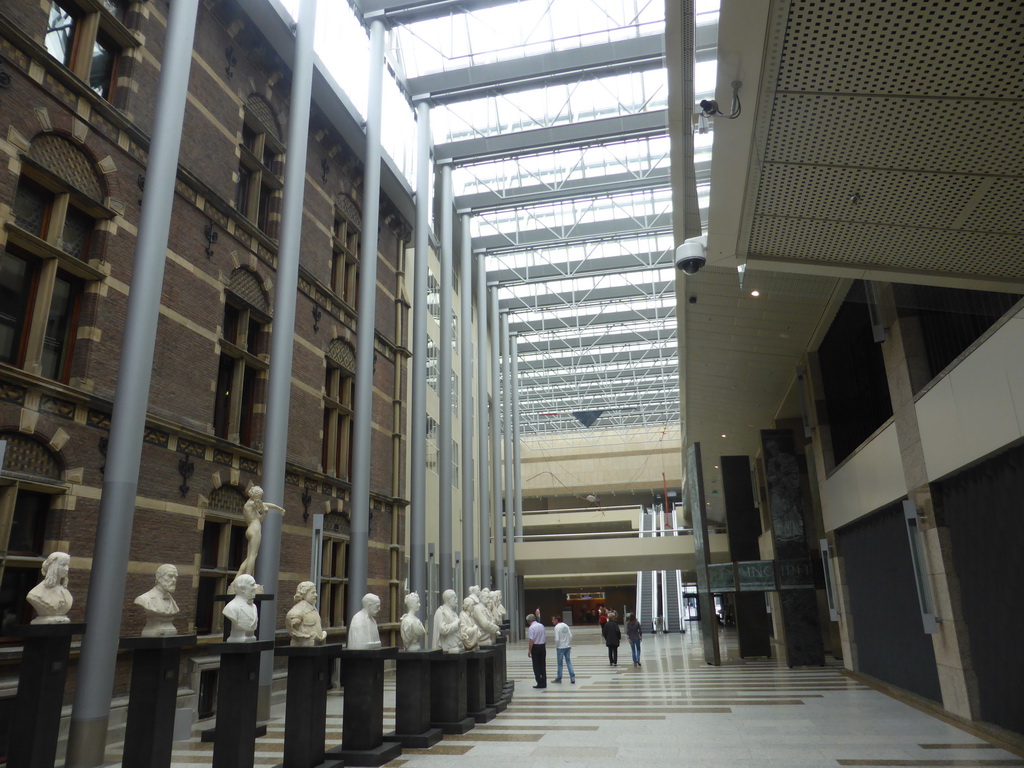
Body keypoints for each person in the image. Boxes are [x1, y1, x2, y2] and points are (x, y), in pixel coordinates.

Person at [232, 485, 285, 586]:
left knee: (249, 557)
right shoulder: (251, 503)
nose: (260, 498)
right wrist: (279, 509)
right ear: (256, 495)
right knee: (253, 555)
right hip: (255, 529)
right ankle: (248, 580)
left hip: (250, 528)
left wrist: (265, 513)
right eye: (260, 496)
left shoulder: (249, 505)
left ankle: (236, 579)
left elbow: (259, 518)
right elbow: (267, 504)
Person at [134, 563, 180, 637]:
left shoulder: (172, 601)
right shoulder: (144, 599)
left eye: (175, 577)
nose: (174, 580)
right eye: (170, 576)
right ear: (159, 578)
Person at [27, 551, 73, 624]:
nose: (67, 569)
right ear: (53, 567)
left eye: (67, 565)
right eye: (63, 565)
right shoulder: (35, 594)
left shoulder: (65, 591)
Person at [286, 581, 327, 647]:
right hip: (305, 645)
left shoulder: (313, 609)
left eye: (315, 592)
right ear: (304, 594)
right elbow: (293, 629)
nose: (316, 595)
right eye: (313, 592)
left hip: (317, 645)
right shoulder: (297, 610)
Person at [223, 574, 260, 642]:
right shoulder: (231, 607)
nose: (255, 587)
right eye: (252, 585)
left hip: (250, 637)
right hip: (237, 639)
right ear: (242, 589)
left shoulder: (254, 606)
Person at [431, 589, 462, 653]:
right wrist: (456, 623)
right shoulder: (441, 611)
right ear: (448, 599)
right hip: (447, 647)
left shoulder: (453, 612)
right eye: (455, 598)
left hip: (455, 645)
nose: (457, 600)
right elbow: (443, 629)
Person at [551, 615, 575, 684]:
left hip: (560, 647)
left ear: (556, 620)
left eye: (553, 620)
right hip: (567, 646)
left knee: (560, 664)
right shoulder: (566, 625)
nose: (552, 621)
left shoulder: (556, 627)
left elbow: (557, 639)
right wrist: (568, 643)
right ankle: (572, 677)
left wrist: (557, 646)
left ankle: (559, 678)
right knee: (568, 662)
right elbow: (570, 635)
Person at [526, 614, 547, 688]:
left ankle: (539, 682)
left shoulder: (531, 628)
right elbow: (544, 637)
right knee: (542, 665)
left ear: (529, 621)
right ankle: (544, 682)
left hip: (535, 647)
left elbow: (531, 640)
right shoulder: (541, 625)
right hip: (542, 646)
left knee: (536, 666)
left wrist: (529, 650)